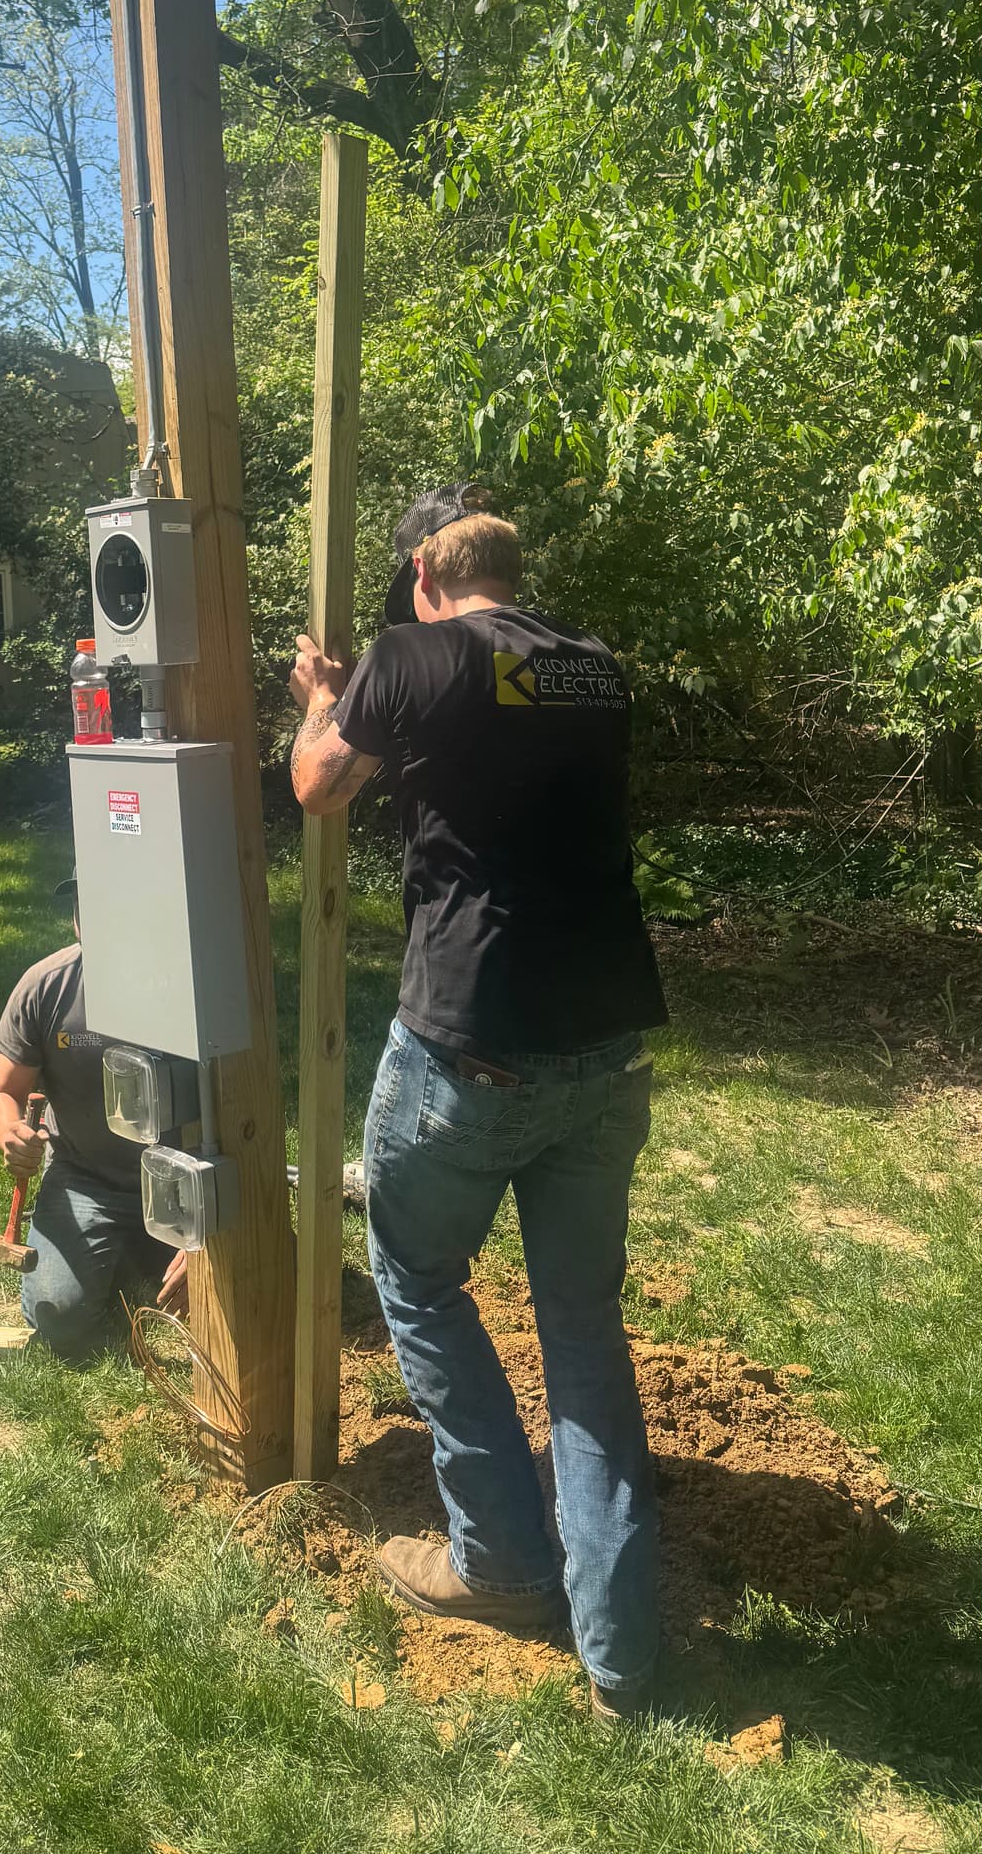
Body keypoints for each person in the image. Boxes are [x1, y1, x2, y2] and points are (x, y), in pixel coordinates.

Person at [288, 486, 667, 1720]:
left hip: (471, 1050)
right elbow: (485, 724)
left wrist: (325, 704)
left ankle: (499, 1561)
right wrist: (377, 699)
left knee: (417, 1278)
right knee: (583, 1335)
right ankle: (624, 1658)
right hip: (607, 1051)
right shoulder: (592, 666)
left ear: (420, 583)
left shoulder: (412, 657)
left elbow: (317, 785)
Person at [0, 884, 186, 1358]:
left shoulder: (187, 982)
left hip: (182, 1179)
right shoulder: (47, 985)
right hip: (85, 1180)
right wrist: (8, 1132)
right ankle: (131, 1250)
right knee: (60, 1316)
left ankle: (137, 1251)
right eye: (83, 908)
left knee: (263, 1283)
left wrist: (208, 1241)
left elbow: (236, 1113)